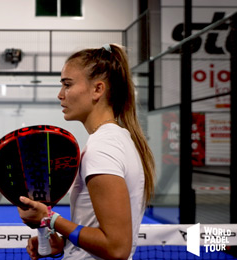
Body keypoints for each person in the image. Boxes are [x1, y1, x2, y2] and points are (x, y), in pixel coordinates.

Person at [18, 44, 155, 260]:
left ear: (97, 89)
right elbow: (98, 228)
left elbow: (116, 248)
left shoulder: (103, 147)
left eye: (67, 84)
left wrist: (51, 219)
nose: (60, 94)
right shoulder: (116, 139)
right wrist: (63, 240)